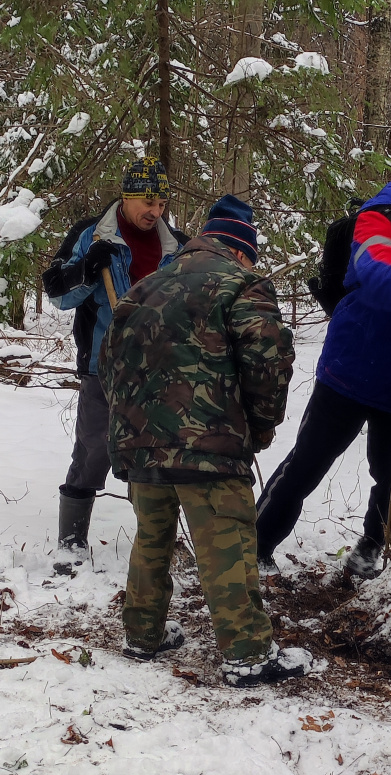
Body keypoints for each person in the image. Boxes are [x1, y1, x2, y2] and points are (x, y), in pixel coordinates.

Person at [98, 194, 309, 686]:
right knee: (226, 542)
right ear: (239, 250)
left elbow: (110, 367)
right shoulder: (243, 284)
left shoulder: (142, 290)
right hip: (209, 445)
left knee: (152, 539)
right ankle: (248, 655)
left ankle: (141, 634)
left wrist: (134, 429)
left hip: (141, 446)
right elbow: (267, 364)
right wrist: (260, 426)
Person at [255, 155, 391, 577]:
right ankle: (255, 545)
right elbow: (379, 273)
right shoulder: (377, 217)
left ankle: (370, 547)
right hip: (350, 371)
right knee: (307, 463)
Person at [42, 157, 188, 573]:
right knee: (93, 446)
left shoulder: (176, 244)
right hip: (103, 364)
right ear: (125, 196)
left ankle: (155, 539)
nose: (154, 211)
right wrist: (88, 268)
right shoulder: (92, 234)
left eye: (161, 203)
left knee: (155, 452)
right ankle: (71, 539)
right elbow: (57, 294)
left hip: (159, 369)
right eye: (146, 201)